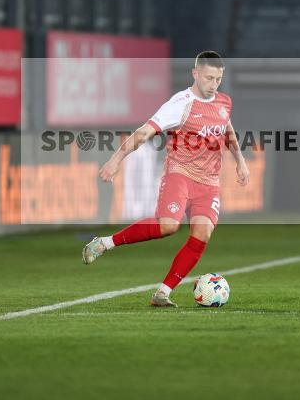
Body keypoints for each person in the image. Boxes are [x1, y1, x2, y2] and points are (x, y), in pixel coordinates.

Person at [82, 51, 250, 307]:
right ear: (195, 73)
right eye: (208, 78)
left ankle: (162, 293)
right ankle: (105, 243)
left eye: (218, 79)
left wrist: (240, 161)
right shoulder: (180, 104)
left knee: (202, 233)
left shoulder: (224, 102)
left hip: (209, 182)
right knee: (168, 226)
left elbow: (227, 129)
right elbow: (144, 132)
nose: (213, 84)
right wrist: (116, 160)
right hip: (180, 173)